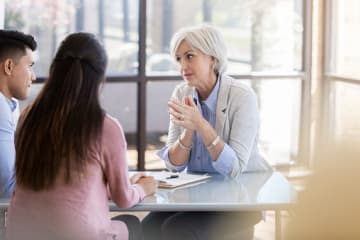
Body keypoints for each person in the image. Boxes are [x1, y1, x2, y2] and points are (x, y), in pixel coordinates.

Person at [6, 32, 157, 240]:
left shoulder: (27, 117)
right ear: (99, 77)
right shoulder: (105, 126)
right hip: (78, 235)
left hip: (21, 232)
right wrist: (143, 188)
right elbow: (124, 198)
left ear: (55, 70)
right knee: (132, 223)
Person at [142, 24, 271, 240]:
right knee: (148, 226)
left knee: (176, 229)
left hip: (240, 199)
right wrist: (189, 131)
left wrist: (200, 123)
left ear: (212, 58)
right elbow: (174, 163)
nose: (183, 65)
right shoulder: (182, 92)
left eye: (190, 56)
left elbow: (234, 168)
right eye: (179, 59)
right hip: (198, 195)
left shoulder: (242, 97)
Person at [0, 29, 37, 198]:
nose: (34, 77)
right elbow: (5, 182)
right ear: (8, 66)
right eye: (30, 66)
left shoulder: (10, 105)